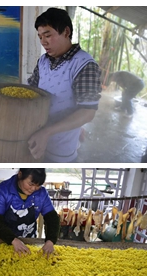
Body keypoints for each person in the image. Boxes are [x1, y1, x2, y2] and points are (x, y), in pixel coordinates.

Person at [27, 8, 102, 163]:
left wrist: (47, 132)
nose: (43, 42)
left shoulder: (84, 65)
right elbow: (32, 92)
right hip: (34, 140)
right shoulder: (43, 61)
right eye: (40, 37)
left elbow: (88, 112)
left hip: (62, 150)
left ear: (66, 32)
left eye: (48, 35)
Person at [0, 169, 60, 258]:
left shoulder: (42, 193)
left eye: (38, 185)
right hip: (2, 239)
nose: (33, 189)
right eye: (31, 184)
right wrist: (13, 240)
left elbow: (52, 218)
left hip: (29, 240)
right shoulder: (3, 190)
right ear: (20, 175)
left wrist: (50, 241)